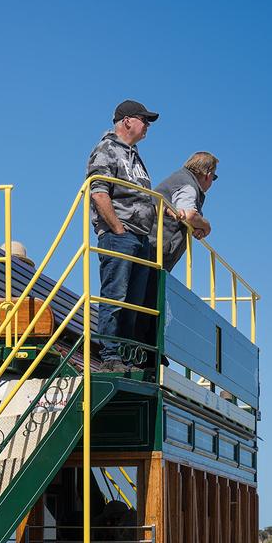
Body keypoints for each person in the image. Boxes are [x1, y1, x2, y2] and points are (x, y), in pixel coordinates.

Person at [86, 100, 158, 371]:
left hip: (140, 236)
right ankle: (111, 355)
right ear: (127, 120)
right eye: (144, 119)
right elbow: (98, 192)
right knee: (115, 295)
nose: (147, 125)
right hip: (120, 234)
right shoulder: (106, 149)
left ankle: (126, 356)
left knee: (134, 302)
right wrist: (117, 227)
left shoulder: (134, 154)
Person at [150, 152, 219, 273]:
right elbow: (189, 215)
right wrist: (206, 227)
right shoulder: (189, 185)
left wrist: (195, 227)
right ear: (208, 175)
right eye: (214, 177)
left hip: (150, 246)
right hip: (154, 250)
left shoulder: (179, 178)